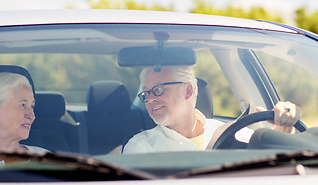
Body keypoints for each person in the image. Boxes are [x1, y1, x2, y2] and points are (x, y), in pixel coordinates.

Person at [123, 66, 302, 154]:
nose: (150, 99)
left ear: (188, 91)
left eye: (158, 89)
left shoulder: (233, 131)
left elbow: (271, 162)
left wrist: (283, 129)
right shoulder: (140, 147)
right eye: (145, 94)